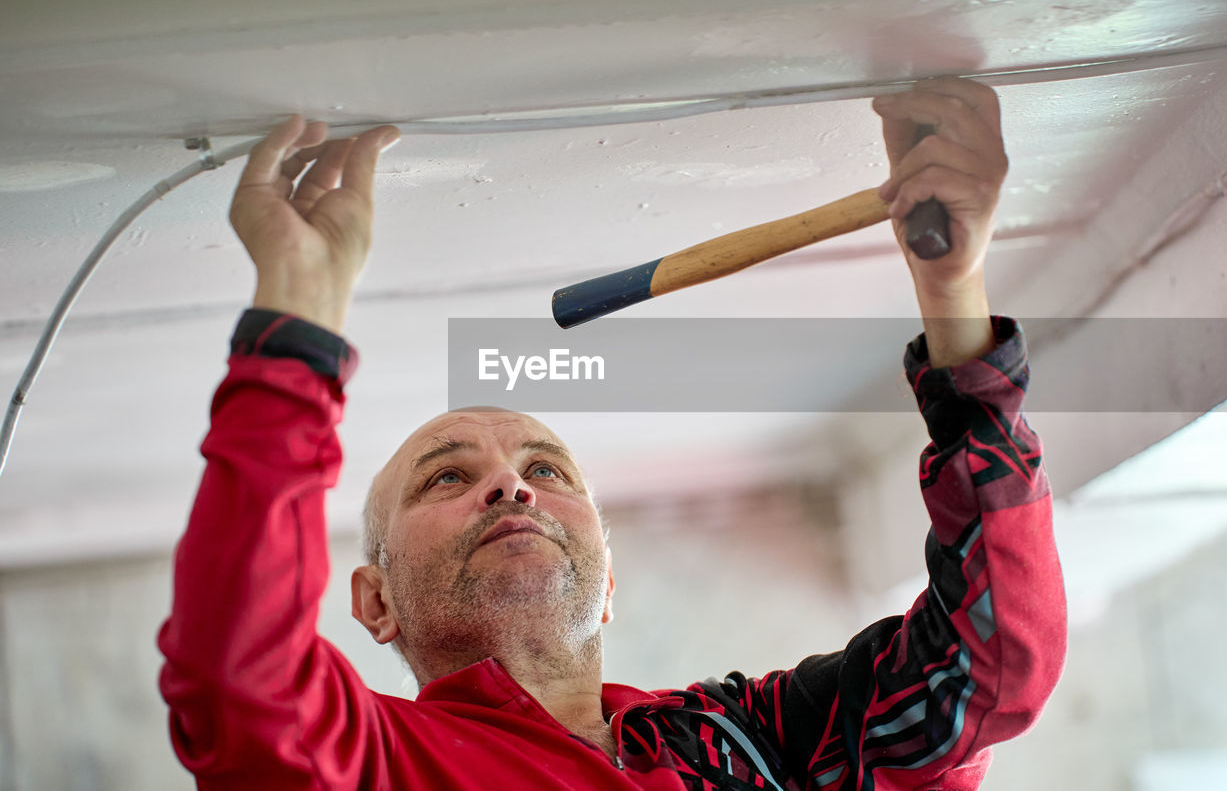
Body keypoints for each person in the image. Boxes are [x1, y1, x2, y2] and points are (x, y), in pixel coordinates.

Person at [158, 78, 1067, 790]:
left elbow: (987, 667)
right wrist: (301, 312)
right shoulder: (374, 762)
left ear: (609, 581)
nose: (511, 486)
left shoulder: (750, 741)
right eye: (444, 478)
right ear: (374, 600)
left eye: (546, 466)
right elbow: (239, 676)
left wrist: (953, 286)